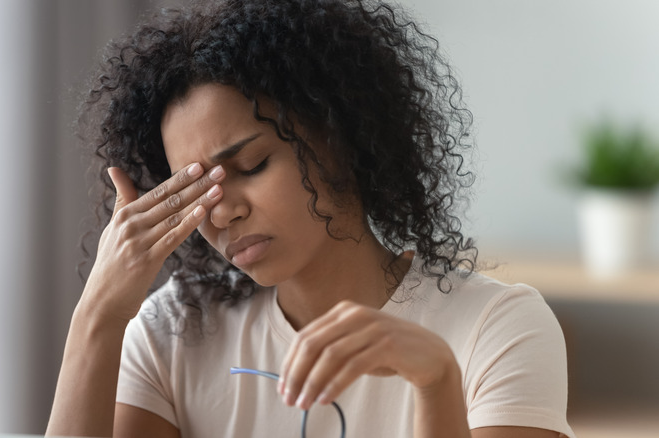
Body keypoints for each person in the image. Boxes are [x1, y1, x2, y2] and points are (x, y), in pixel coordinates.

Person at [46, 0, 575, 437]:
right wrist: (98, 316)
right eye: (194, 189)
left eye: (250, 165)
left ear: (339, 135)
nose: (224, 210)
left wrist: (437, 382)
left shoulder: (496, 328)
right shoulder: (175, 333)